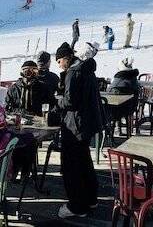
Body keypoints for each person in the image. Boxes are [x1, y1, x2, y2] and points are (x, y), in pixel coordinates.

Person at [54, 41, 102, 218]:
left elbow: (70, 101)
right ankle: (90, 199)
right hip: (86, 124)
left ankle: (77, 206)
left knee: (72, 166)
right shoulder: (86, 69)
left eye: (59, 61)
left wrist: (57, 101)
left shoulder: (74, 72)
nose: (59, 65)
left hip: (75, 126)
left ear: (66, 58)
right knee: (84, 162)